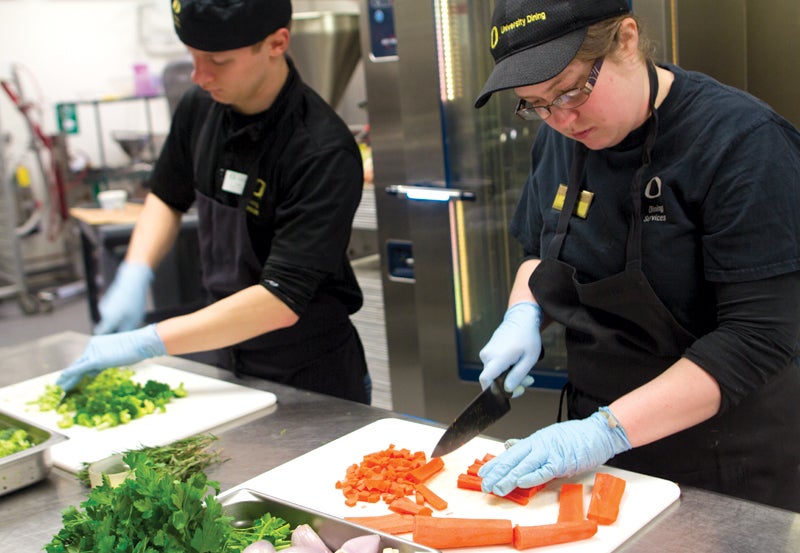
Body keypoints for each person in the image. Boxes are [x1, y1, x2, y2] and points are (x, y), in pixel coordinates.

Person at [473, 0, 800, 512]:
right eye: (535, 103)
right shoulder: (558, 140)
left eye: (571, 90)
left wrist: (602, 433)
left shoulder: (744, 145)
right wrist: (524, 313)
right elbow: (538, 253)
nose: (560, 119)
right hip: (597, 457)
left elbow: (758, 338)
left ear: (627, 39)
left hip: (724, 466)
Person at [57, 0, 371, 404]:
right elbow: (167, 196)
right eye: (192, 56)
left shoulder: (321, 150)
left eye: (218, 61)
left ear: (277, 43)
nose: (199, 75)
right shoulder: (200, 106)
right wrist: (135, 272)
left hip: (308, 371)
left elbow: (281, 299)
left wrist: (150, 340)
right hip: (225, 352)